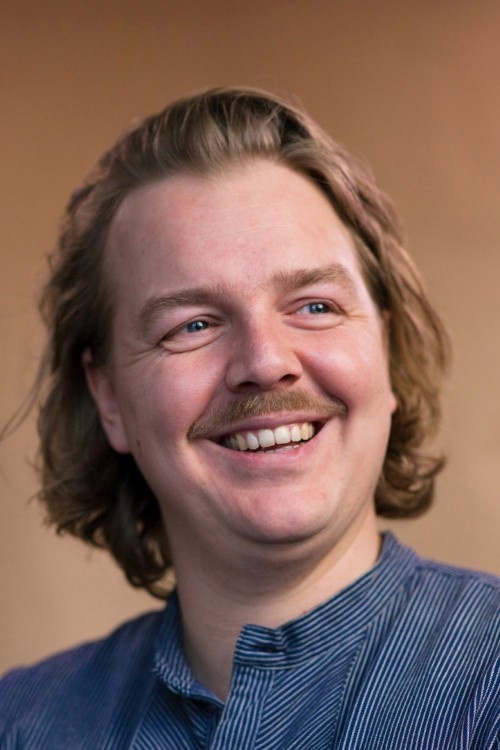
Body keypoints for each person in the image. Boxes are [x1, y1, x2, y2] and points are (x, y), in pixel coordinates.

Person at [0, 87, 498, 749]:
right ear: (109, 397)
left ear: (385, 347)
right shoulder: (19, 725)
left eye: (315, 306)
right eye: (193, 325)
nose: (265, 362)